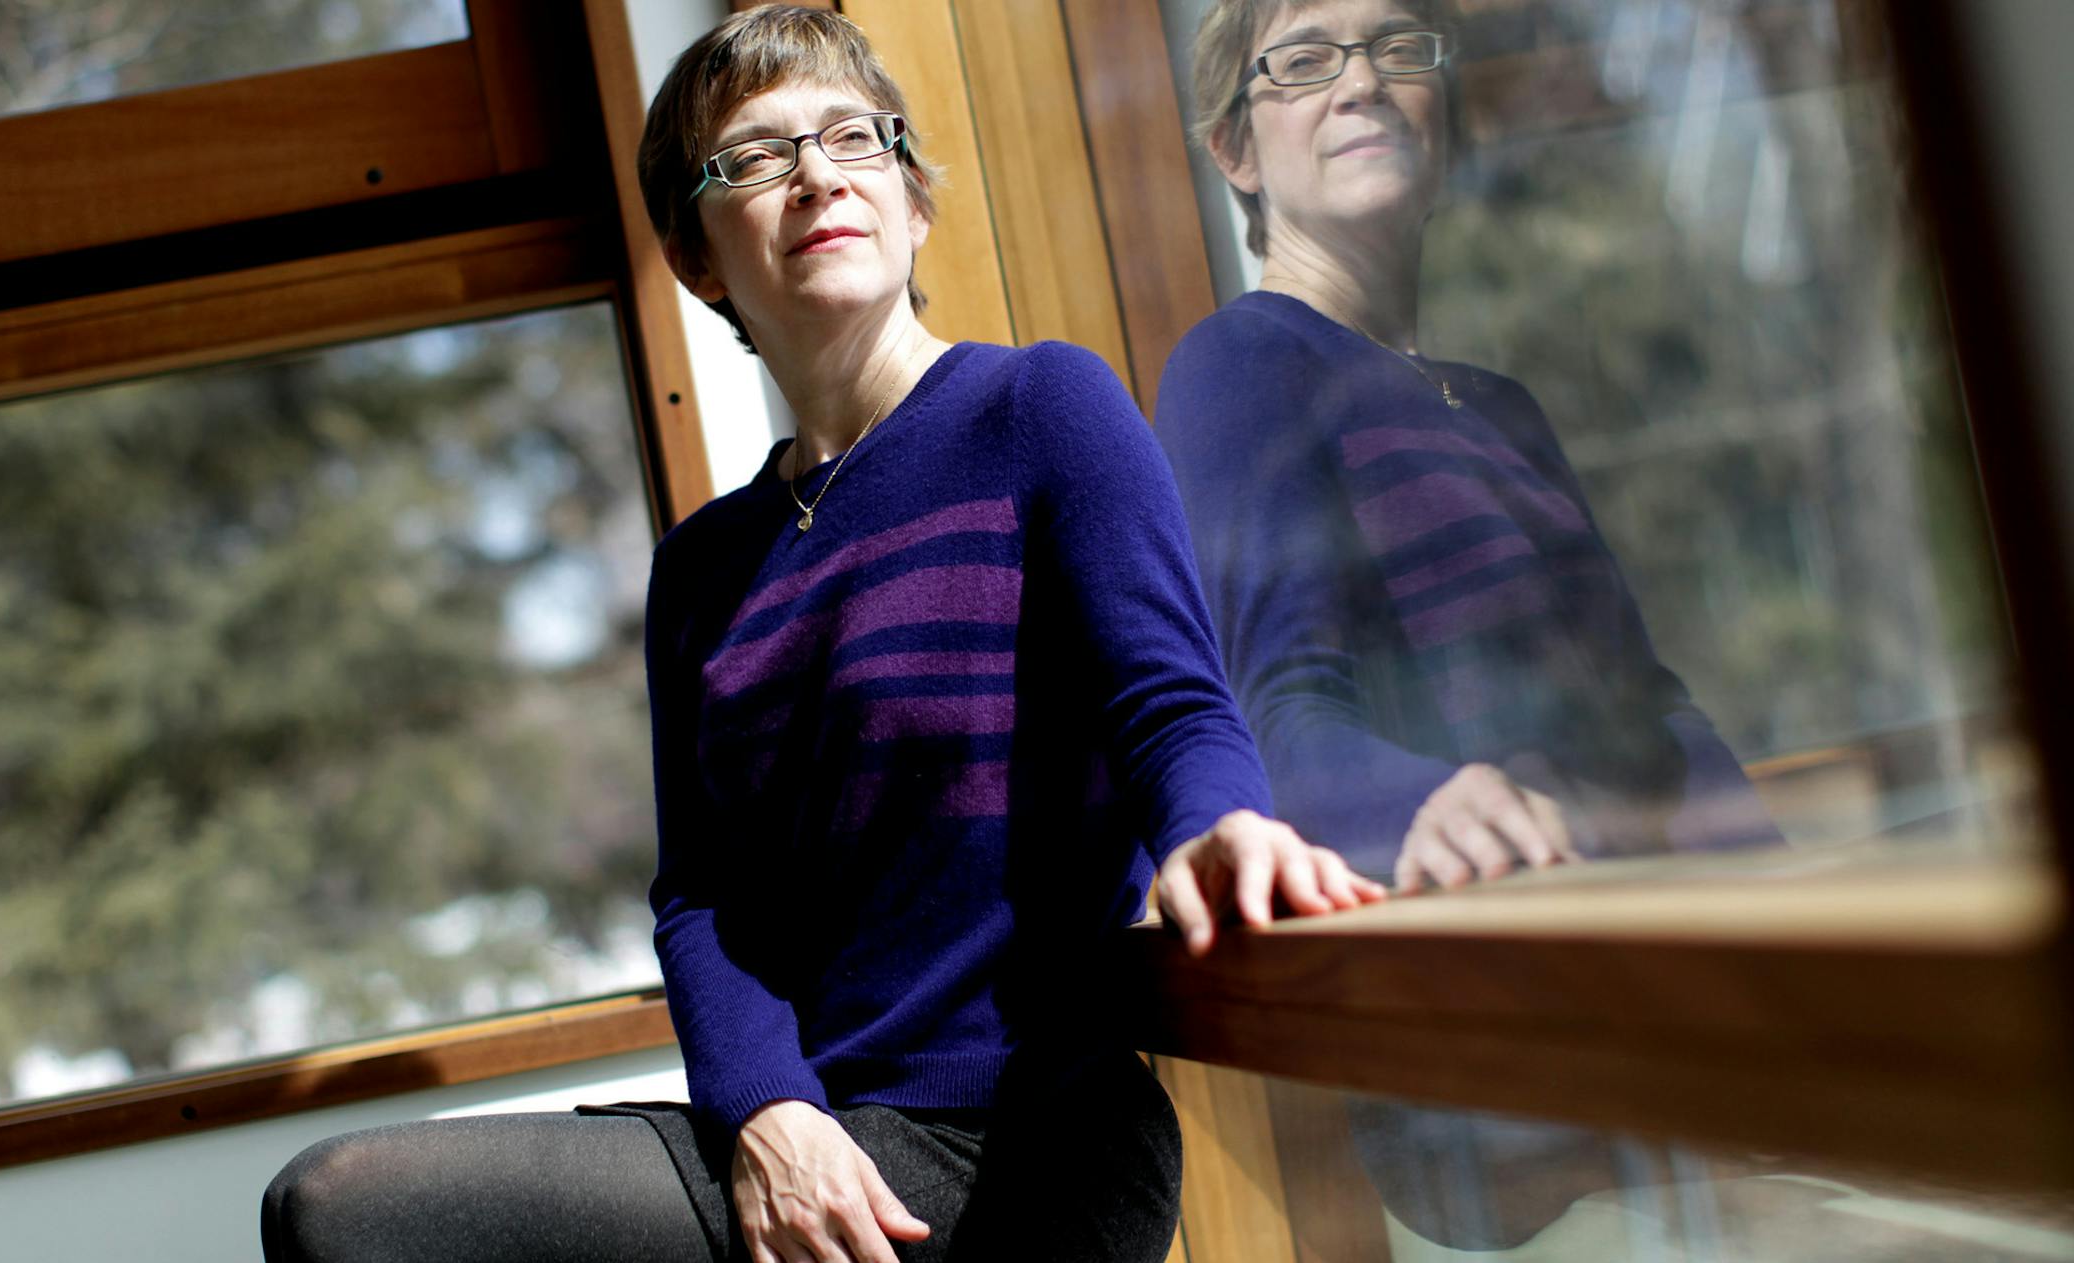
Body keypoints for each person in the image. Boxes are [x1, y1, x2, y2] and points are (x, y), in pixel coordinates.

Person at [260, 7, 1383, 1262]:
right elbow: (701, 898)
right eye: (755, 156)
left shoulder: (1040, 407)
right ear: (696, 259)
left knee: (347, 1213)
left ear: (914, 201)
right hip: (807, 1131)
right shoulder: (701, 570)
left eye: (854, 137)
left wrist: (1219, 825)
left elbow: (1169, 707)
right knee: (335, 1206)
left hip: (1018, 1138)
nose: (817, 174)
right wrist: (764, 1108)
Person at [1158, 0, 1781, 895]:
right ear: (1235, 151)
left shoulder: (1504, 406)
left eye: (1397, 47)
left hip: (1651, 905)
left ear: (1442, 110)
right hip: (1482, 912)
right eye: (1304, 61)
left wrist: (1781, 885)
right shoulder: (1243, 361)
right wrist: (1420, 805)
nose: (1363, 81)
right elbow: (1276, 714)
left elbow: (1651, 710)